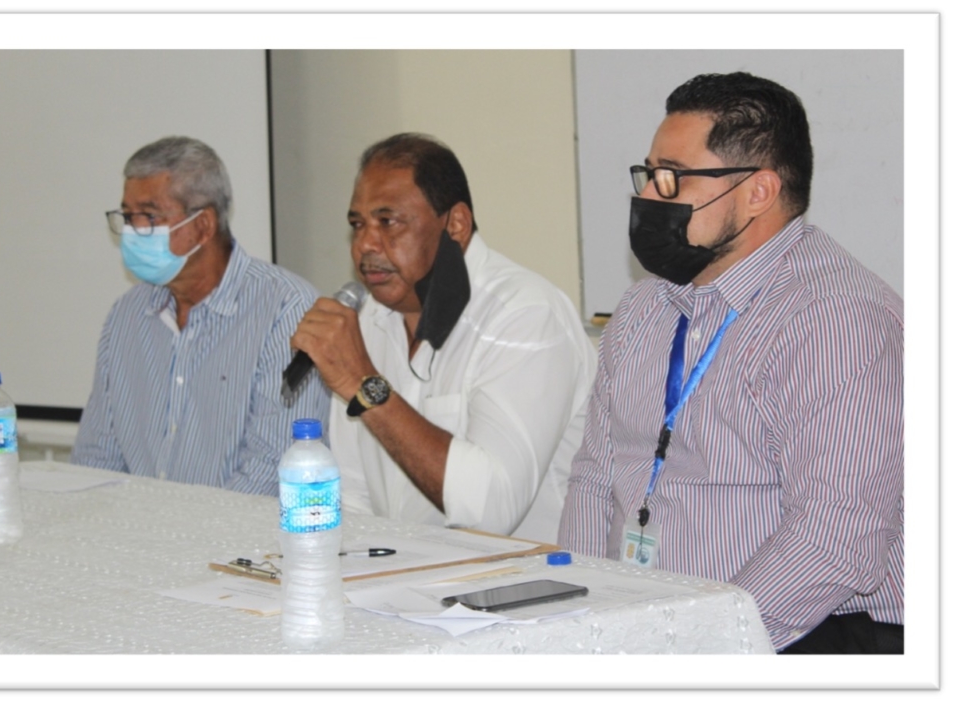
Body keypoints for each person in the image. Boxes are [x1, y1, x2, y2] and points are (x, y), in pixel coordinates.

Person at [559, 72, 904, 654]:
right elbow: (596, 478)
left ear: (758, 191)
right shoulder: (643, 308)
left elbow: (835, 539)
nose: (650, 197)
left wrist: (692, 649)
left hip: (804, 635)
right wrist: (582, 623)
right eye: (649, 174)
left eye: (672, 177)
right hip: (656, 626)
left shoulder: (834, 320)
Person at [290, 133, 596, 544]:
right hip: (405, 569)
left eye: (388, 221)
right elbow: (353, 493)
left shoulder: (526, 315)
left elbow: (492, 511)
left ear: (456, 225)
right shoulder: (368, 319)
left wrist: (366, 386)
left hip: (527, 576)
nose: (364, 244)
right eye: (357, 225)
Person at [72, 136, 328, 494]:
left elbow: (272, 468)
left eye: (149, 216)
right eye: (127, 217)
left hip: (238, 529)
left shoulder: (286, 309)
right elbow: (96, 456)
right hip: (136, 526)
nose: (132, 232)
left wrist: (184, 529)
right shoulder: (127, 315)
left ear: (203, 225)